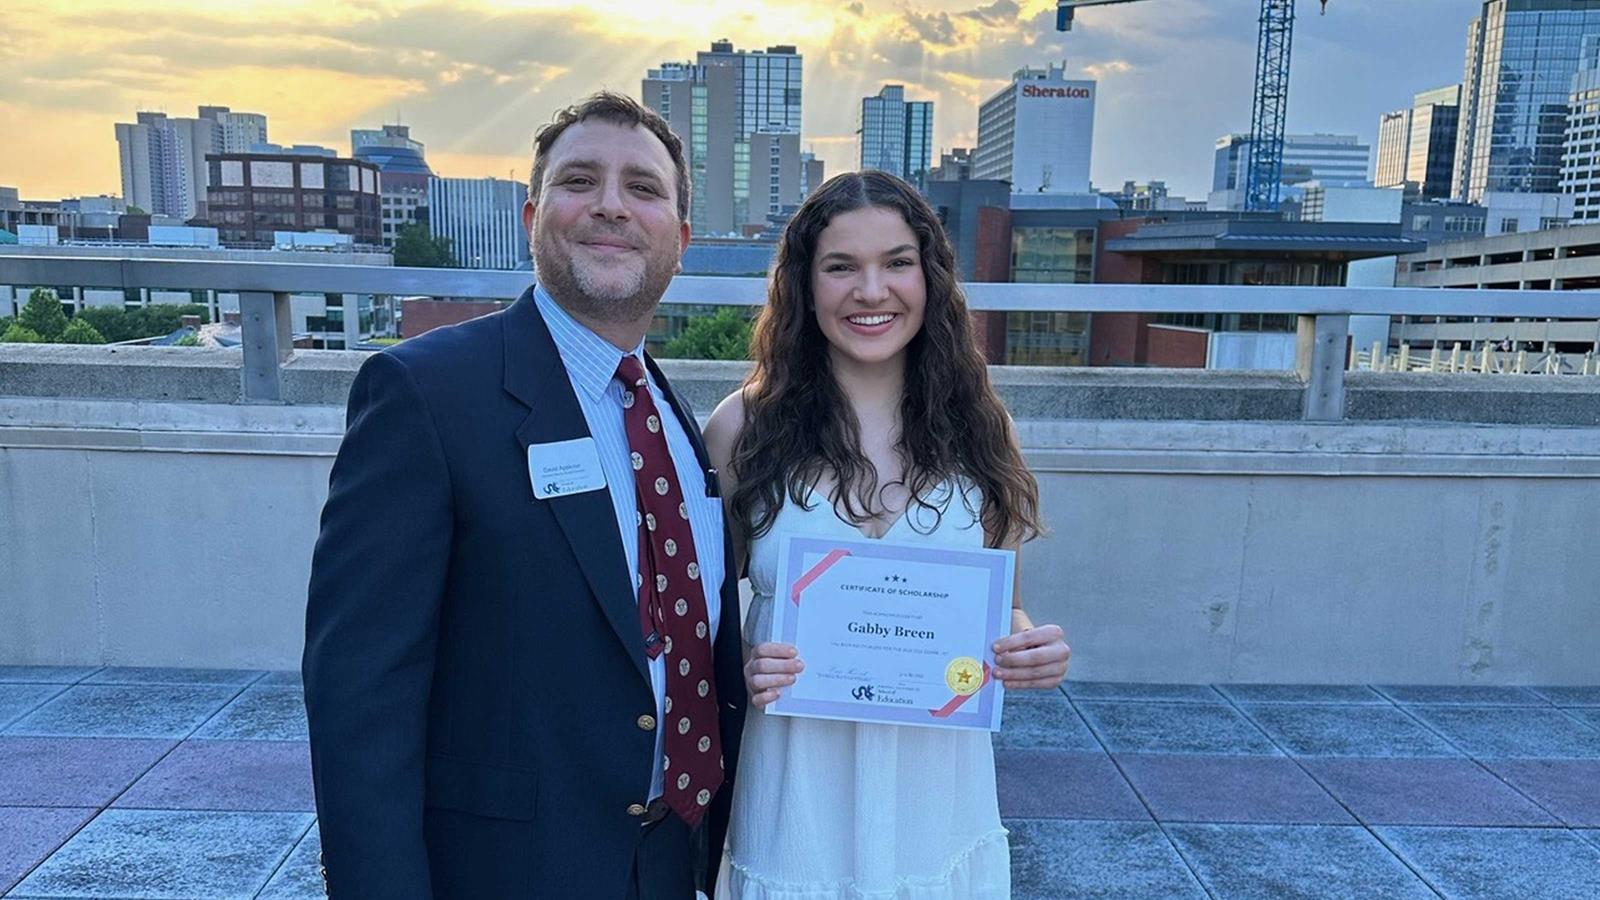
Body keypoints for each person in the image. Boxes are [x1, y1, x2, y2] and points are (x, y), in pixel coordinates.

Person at [302, 91, 746, 899]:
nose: (612, 206)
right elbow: (360, 694)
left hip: (670, 867)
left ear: (679, 241)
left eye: (643, 189)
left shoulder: (680, 425)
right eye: (582, 181)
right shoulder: (425, 395)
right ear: (533, 214)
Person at [703, 171, 1071, 898]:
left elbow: (1007, 605)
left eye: (897, 262)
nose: (872, 291)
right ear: (805, 288)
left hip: (936, 798)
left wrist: (1031, 646)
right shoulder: (742, 429)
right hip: (795, 793)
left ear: (929, 278)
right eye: (842, 267)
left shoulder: (980, 428)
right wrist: (746, 662)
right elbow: (703, 620)